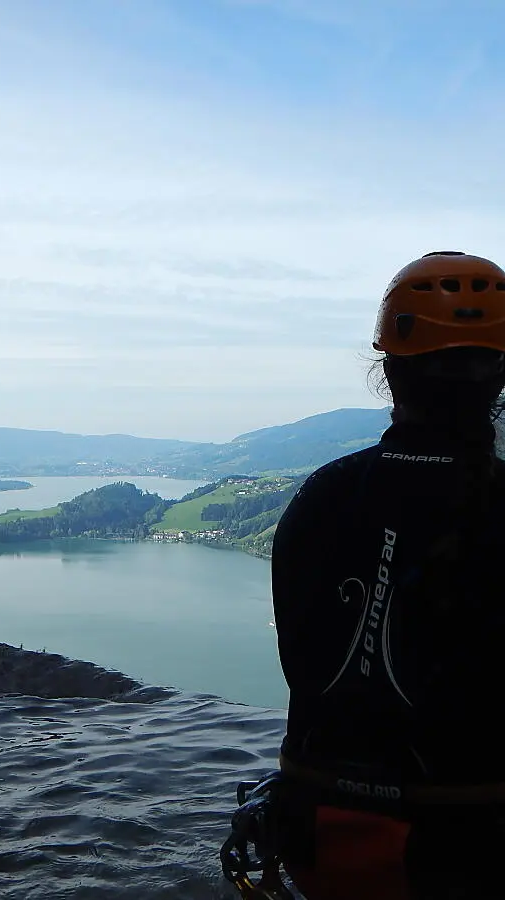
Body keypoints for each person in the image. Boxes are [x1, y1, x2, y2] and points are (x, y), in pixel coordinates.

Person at [271, 251, 505, 899]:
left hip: (317, 833)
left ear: (389, 369)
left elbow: (304, 659)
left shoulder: (322, 495)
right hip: (471, 844)